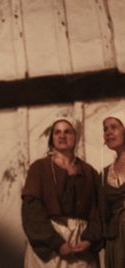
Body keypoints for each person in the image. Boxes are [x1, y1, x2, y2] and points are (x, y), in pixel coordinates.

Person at [21, 117, 102, 267]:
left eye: (67, 132)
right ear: (52, 138)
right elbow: (32, 211)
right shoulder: (39, 168)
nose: (62, 136)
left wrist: (88, 240)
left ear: (76, 136)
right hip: (50, 239)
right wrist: (56, 243)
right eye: (57, 132)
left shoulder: (89, 171)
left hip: (81, 240)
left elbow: (98, 211)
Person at [101, 111, 125, 268]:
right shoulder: (104, 173)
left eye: (114, 127)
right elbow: (104, 213)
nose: (108, 132)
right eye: (105, 129)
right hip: (117, 242)